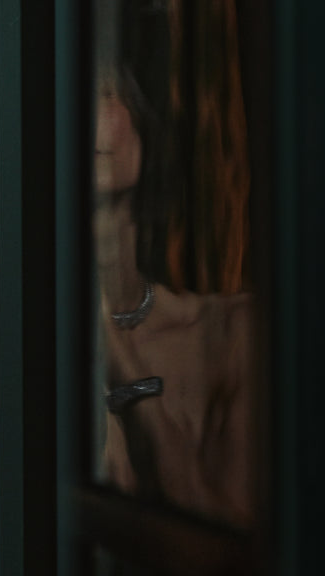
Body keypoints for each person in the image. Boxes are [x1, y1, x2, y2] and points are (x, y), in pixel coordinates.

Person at [94, 60, 256, 529]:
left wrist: (120, 356)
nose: (75, 113)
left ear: (144, 128)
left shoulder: (229, 332)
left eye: (103, 91)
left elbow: (224, 541)